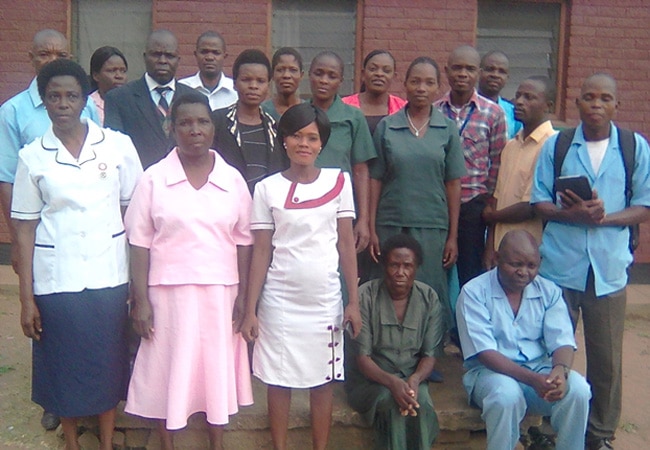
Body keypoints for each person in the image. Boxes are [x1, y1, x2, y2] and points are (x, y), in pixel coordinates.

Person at [12, 59, 142, 450]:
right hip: (58, 280)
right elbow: (24, 229)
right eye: (54, 96)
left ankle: (105, 441)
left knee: (107, 364)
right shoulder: (33, 156)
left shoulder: (117, 146)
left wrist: (138, 283)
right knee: (63, 367)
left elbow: (133, 215)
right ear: (45, 102)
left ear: (86, 100)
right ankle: (71, 442)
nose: (63, 103)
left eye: (71, 95)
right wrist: (26, 298)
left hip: (108, 274)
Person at [123, 91, 253, 450]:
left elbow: (244, 241)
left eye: (202, 122)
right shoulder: (153, 179)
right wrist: (140, 299)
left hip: (220, 291)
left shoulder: (233, 181)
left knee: (214, 370)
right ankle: (169, 444)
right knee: (171, 369)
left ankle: (217, 443)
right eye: (185, 122)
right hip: (167, 293)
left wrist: (243, 295)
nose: (194, 129)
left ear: (213, 128)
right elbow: (139, 241)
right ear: (171, 128)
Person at [531, 73, 650, 450]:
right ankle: (549, 427)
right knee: (552, 352)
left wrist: (604, 218)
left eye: (605, 98)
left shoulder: (634, 148)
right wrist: (576, 214)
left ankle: (599, 434)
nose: (596, 104)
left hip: (608, 271)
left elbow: (644, 205)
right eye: (589, 97)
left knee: (606, 360)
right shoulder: (558, 145)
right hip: (559, 266)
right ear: (577, 103)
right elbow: (539, 202)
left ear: (616, 105)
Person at [240, 103, 362, 450]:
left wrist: (353, 301)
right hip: (279, 301)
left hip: (324, 300)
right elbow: (261, 251)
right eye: (296, 135)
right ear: (284, 141)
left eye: (312, 137)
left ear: (322, 143)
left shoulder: (339, 182)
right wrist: (251, 309)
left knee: (321, 381)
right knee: (278, 381)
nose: (304, 143)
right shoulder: (266, 189)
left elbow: (345, 245)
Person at [456, 230, 591, 450]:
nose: (524, 272)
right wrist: (532, 379)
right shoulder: (473, 292)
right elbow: (486, 354)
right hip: (490, 375)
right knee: (506, 395)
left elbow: (562, 339)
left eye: (531, 266)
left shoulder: (549, 291)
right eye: (516, 264)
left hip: (538, 372)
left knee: (578, 389)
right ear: (498, 258)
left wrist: (560, 369)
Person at [369, 56, 465, 338]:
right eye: (415, 81)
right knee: (388, 287)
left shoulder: (447, 130)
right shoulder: (388, 126)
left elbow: (453, 184)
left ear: (438, 88)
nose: (421, 87)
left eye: (429, 82)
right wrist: (372, 227)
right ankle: (383, 349)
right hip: (391, 222)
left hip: (432, 225)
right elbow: (375, 178)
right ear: (405, 84)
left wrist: (452, 236)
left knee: (429, 290)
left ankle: (428, 354)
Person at [0, 29, 99, 285]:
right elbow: (7, 180)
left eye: (61, 54)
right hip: (40, 230)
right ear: (30, 57)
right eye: (45, 54)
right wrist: (18, 241)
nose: (53, 60)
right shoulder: (12, 111)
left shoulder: (86, 105)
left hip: (83, 229)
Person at [346, 234, 445, 450]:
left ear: (416, 268)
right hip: (370, 382)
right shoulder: (365, 296)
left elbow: (430, 355)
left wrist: (415, 380)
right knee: (390, 401)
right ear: (384, 266)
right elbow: (363, 359)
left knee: (422, 403)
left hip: (412, 378)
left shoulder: (429, 298)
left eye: (407, 266)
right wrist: (392, 383)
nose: (400, 272)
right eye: (394, 265)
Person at [434, 45, 508, 287]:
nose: (462, 74)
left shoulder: (493, 114)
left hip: (473, 207)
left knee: (472, 276)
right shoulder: (433, 111)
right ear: (446, 72)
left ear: (478, 73)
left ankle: (469, 324)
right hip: (437, 204)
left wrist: (488, 204)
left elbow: (497, 163)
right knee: (435, 271)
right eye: (457, 68)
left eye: (469, 69)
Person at [482, 76, 556, 269]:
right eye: (518, 96)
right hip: (500, 250)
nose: (519, 102)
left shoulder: (552, 145)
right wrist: (490, 246)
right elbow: (496, 199)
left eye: (529, 97)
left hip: (529, 254)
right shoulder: (511, 146)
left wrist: (491, 217)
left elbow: (531, 206)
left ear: (547, 106)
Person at [309, 50, 377, 253]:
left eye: (331, 76)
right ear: (309, 75)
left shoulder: (353, 117)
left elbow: (361, 170)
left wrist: (363, 220)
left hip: (340, 209)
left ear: (341, 81)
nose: (324, 80)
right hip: (303, 207)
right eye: (318, 73)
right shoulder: (298, 115)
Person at [104, 29, 194, 169]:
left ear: (178, 60)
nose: (162, 61)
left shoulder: (195, 99)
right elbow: (115, 150)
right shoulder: (119, 98)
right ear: (145, 57)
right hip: (138, 183)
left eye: (169, 56)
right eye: (156, 54)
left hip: (185, 184)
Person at [211, 49, 288, 194]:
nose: (253, 86)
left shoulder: (276, 128)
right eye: (246, 80)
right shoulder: (217, 122)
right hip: (227, 204)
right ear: (234, 83)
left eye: (260, 81)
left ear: (268, 86)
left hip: (266, 209)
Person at [342, 49, 406, 135]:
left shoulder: (403, 108)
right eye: (373, 69)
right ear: (363, 74)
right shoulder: (344, 106)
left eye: (386, 71)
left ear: (394, 77)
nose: (379, 74)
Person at [178, 31, 238, 110]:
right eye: (204, 52)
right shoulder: (181, 89)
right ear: (196, 55)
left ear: (224, 56)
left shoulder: (236, 90)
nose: (209, 57)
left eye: (216, 53)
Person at [478, 50, 522, 139]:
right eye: (490, 69)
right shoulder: (465, 107)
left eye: (501, 71)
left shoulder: (514, 113)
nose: (495, 75)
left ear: (507, 77)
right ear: (479, 72)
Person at [261, 47, 304, 120]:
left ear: (301, 75)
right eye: (280, 70)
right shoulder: (261, 112)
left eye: (293, 70)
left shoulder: (309, 112)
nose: (286, 75)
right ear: (272, 75)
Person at [89, 46, 128, 125]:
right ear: (96, 75)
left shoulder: (133, 103)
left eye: (123, 71)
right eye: (112, 71)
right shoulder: (88, 105)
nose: (119, 76)